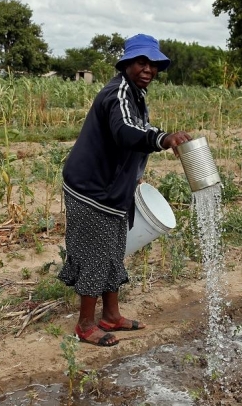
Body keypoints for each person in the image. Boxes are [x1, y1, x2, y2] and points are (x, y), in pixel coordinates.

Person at [58, 34, 191, 347]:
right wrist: (162, 139)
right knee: (94, 254)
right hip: (91, 188)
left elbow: (136, 132)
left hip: (113, 187)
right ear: (127, 64)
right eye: (141, 62)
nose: (148, 69)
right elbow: (126, 132)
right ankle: (85, 324)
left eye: (153, 64)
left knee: (115, 249)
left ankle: (111, 316)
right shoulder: (118, 92)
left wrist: (138, 170)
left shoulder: (136, 93)